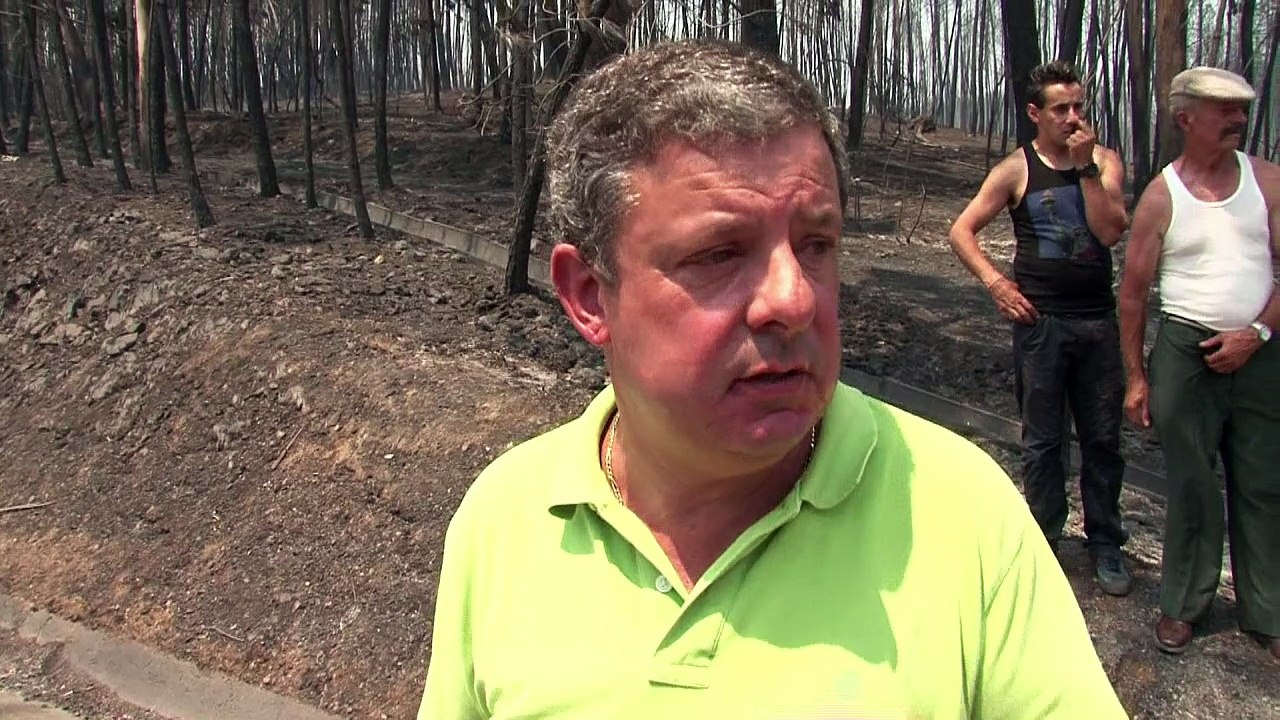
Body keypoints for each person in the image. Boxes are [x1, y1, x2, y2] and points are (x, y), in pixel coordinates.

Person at [418, 41, 1127, 718]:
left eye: (816, 245)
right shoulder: (504, 521)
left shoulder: (966, 517)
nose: (794, 299)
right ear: (589, 296)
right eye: (720, 253)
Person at [948, 61, 1132, 596]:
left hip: (1097, 321)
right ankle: (1044, 539)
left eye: (1079, 106)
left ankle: (1105, 544)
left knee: (1102, 439)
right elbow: (961, 231)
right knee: (1043, 441)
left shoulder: (1104, 163)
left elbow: (1110, 232)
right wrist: (996, 285)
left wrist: (1085, 170)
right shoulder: (1016, 169)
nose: (1074, 117)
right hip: (1041, 325)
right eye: (1061, 109)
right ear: (1035, 114)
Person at [1118, 66, 1279, 660]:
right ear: (1186, 118)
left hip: (1261, 353)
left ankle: (1268, 610)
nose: (1237, 119)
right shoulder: (1163, 195)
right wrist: (1136, 379)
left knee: (1263, 481)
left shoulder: (1267, 182)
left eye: (1241, 110)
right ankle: (1184, 605)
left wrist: (1258, 332)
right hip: (1186, 355)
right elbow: (1133, 293)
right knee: (1191, 484)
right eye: (1223, 111)